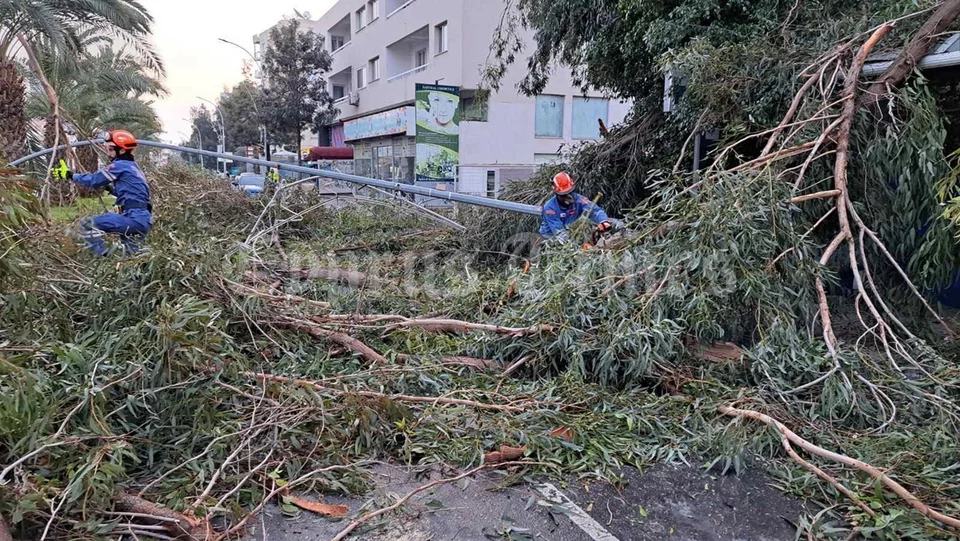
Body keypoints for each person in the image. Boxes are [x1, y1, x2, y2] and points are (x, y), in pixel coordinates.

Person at [52, 129, 153, 256]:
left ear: (121, 151)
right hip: (143, 219)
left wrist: (69, 175)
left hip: (133, 218)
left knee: (86, 224)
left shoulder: (119, 166)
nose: (108, 153)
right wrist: (111, 189)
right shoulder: (133, 167)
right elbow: (134, 194)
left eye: (111, 149)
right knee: (131, 258)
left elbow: (94, 180)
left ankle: (104, 257)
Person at [539, 171, 621, 244]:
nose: (568, 197)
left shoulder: (579, 200)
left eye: (570, 192)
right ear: (557, 194)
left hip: (571, 231)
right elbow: (560, 233)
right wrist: (575, 245)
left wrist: (603, 221)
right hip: (550, 238)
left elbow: (594, 210)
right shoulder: (550, 209)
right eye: (564, 195)